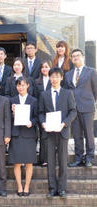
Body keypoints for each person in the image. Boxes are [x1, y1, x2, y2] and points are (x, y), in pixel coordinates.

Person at [39, 67, 76, 198]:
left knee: (62, 161)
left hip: (62, 131)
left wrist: (64, 123)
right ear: (49, 78)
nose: (54, 79)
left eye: (57, 77)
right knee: (50, 161)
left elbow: (73, 111)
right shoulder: (44, 94)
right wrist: (43, 123)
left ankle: (61, 189)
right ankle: (52, 188)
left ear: (61, 78)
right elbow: (40, 113)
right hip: (48, 132)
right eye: (52, 77)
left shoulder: (68, 93)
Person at [65, 49, 97, 167]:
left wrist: (91, 103)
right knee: (77, 134)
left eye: (77, 55)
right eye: (73, 56)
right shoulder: (68, 74)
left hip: (87, 108)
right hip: (74, 109)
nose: (75, 57)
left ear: (83, 57)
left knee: (89, 134)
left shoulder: (91, 72)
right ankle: (78, 157)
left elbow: (96, 90)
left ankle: (89, 158)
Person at [9, 77, 38, 197]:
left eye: (23, 85)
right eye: (18, 85)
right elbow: (8, 119)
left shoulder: (34, 100)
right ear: (16, 87)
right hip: (16, 134)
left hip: (29, 134)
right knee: (16, 162)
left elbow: (37, 116)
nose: (21, 87)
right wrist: (12, 113)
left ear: (28, 86)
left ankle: (26, 186)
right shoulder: (12, 100)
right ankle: (19, 187)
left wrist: (32, 122)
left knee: (29, 163)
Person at [35, 60, 52, 166]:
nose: (44, 69)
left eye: (46, 67)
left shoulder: (54, 80)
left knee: (51, 137)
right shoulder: (36, 81)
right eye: (42, 67)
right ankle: (43, 159)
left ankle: (50, 158)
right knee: (43, 136)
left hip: (51, 112)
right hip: (40, 112)